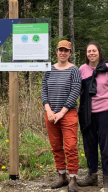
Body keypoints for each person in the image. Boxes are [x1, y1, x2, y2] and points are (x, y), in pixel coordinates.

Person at [77, 42, 108, 191]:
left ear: (99, 52)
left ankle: (107, 179)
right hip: (87, 113)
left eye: (94, 50)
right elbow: (78, 90)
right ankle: (92, 175)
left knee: (105, 146)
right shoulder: (82, 69)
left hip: (106, 112)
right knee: (89, 145)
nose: (91, 53)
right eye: (89, 51)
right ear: (86, 54)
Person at [41, 40, 81, 192]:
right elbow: (44, 90)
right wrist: (49, 110)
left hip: (68, 114)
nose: (63, 53)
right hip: (50, 114)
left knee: (70, 147)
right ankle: (61, 175)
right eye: (60, 50)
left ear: (70, 53)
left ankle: (72, 178)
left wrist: (62, 112)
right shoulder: (49, 69)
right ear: (56, 52)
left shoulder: (74, 70)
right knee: (56, 146)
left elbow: (75, 91)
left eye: (66, 50)